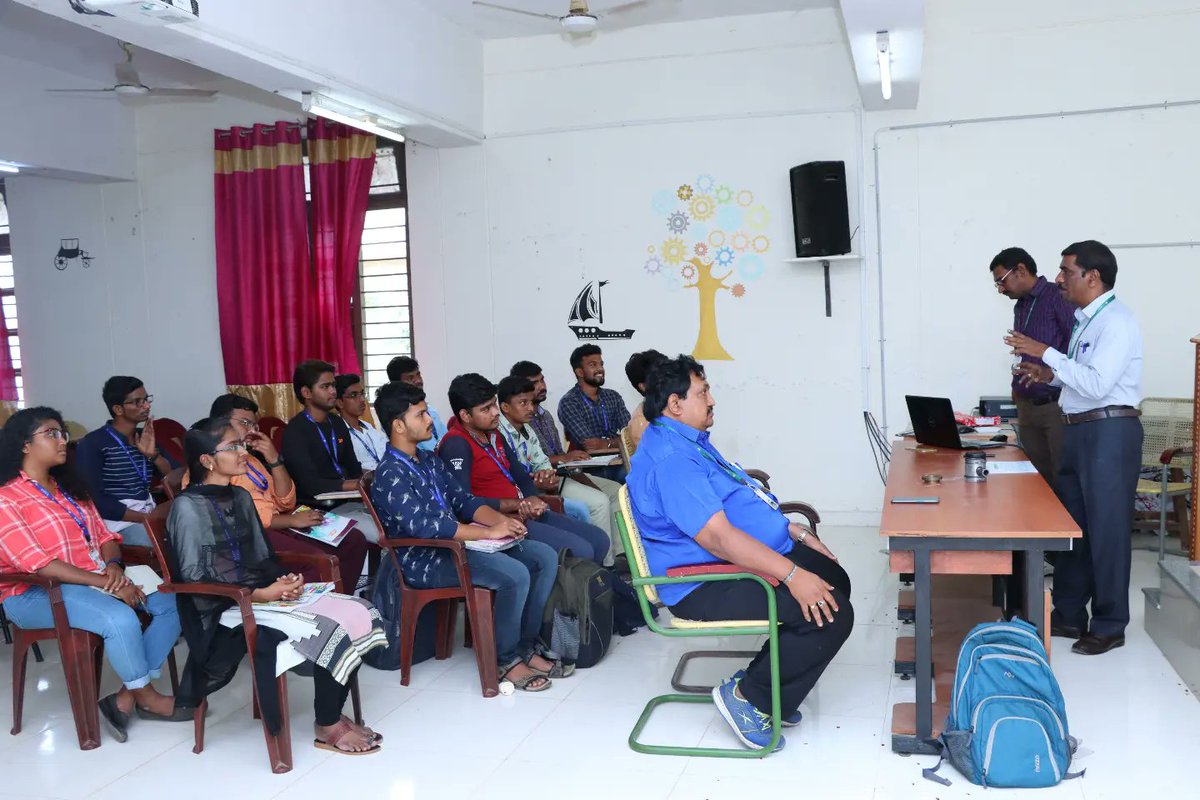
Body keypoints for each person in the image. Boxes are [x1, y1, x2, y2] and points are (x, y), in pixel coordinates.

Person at [627, 355, 853, 751]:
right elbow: (718, 538)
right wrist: (792, 575)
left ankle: (773, 686)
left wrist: (791, 530)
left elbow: (737, 501)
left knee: (835, 581)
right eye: (703, 392)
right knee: (831, 612)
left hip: (726, 562)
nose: (712, 399)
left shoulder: (684, 437)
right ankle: (750, 697)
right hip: (701, 580)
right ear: (675, 404)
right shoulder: (672, 461)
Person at [168, 416, 387, 754]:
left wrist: (282, 581)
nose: (243, 451)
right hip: (222, 609)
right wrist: (259, 593)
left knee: (360, 610)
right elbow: (196, 577)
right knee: (330, 626)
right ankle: (327, 723)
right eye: (233, 447)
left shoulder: (239, 497)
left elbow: (260, 557)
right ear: (207, 461)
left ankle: (331, 714)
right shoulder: (187, 507)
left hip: (257, 595)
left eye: (242, 445)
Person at [0, 407, 183, 743]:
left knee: (175, 602)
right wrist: (108, 583)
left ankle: (126, 696)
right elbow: (37, 564)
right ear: (25, 445)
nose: (62, 441)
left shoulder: (68, 488)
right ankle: (147, 697)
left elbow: (105, 537)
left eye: (62, 433)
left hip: (94, 578)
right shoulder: (6, 498)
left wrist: (113, 568)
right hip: (34, 593)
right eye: (51, 433)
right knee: (119, 618)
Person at [368, 381, 565, 690]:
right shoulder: (390, 472)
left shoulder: (429, 460)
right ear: (398, 426)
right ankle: (505, 659)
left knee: (544, 557)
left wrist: (502, 523)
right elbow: (426, 528)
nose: (430, 419)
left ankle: (527, 646)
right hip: (425, 559)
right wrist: (485, 532)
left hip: (458, 546)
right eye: (420, 415)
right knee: (514, 575)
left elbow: (465, 501)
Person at [1006, 240, 1144, 657]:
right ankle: (1067, 614)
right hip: (1080, 429)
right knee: (1073, 529)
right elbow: (1083, 378)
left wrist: (1044, 350)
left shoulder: (1117, 321)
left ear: (1093, 276)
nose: (1060, 278)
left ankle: (1109, 624)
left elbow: (1100, 385)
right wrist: (1048, 372)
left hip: (1109, 431)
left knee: (1106, 532)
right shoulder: (1087, 320)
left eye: (1066, 271)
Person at [182, 394, 370, 593]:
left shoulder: (249, 460)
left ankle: (341, 596)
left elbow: (285, 501)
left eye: (254, 425)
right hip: (255, 534)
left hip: (279, 521)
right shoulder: (211, 470)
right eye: (245, 423)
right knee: (319, 560)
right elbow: (242, 522)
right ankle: (312, 609)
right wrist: (292, 521)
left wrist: (273, 459)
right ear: (218, 424)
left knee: (353, 539)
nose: (251, 431)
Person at [439, 373, 610, 564]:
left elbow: (521, 476)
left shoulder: (494, 434)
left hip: (524, 512)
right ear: (465, 415)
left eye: (494, 404)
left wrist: (533, 501)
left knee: (600, 540)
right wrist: (518, 505)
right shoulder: (456, 444)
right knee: (582, 550)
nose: (496, 412)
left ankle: (592, 590)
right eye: (486, 409)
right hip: (498, 521)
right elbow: (463, 504)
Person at [497, 375, 619, 565]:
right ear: (505, 407)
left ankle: (613, 559)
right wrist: (539, 480)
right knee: (593, 505)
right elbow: (512, 475)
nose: (531, 408)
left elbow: (542, 463)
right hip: (522, 497)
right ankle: (597, 567)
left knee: (615, 491)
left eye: (531, 402)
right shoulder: (498, 433)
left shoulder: (528, 429)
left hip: (544, 487)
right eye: (523, 403)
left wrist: (547, 475)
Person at [990, 248, 1075, 486]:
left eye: (1001, 281)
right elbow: (1023, 352)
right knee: (1034, 483)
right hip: (1027, 407)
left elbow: (1074, 348)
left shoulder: (1057, 297)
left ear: (1021, 270)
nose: (1000, 289)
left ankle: (1067, 525)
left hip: (1055, 406)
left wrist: (1049, 372)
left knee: (1061, 481)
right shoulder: (1021, 305)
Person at [280, 360, 379, 548]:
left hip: (349, 503)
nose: (333, 391)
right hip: (317, 511)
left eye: (333, 385)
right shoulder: (295, 431)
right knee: (381, 533)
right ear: (306, 393)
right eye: (325, 386)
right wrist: (353, 484)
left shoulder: (337, 423)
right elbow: (310, 485)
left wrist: (370, 477)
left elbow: (353, 467)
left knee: (396, 522)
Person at [75, 376, 174, 547]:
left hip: (148, 513)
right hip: (117, 522)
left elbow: (174, 477)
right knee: (168, 544)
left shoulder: (145, 437)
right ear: (118, 409)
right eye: (137, 402)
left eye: (146, 399)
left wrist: (154, 456)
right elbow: (97, 501)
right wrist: (147, 519)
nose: (146, 406)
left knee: (194, 534)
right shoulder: (93, 443)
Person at [557, 344, 631, 453]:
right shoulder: (569, 402)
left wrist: (606, 443)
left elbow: (630, 435)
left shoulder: (613, 396)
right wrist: (618, 441)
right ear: (579, 372)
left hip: (618, 458)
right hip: (588, 464)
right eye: (593, 365)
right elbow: (590, 445)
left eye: (601, 364)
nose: (600, 369)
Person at [386, 356, 447, 452]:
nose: (418, 381)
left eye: (418, 375)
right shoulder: (395, 417)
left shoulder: (431, 411)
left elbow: (446, 440)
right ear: (397, 384)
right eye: (410, 378)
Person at [334, 374, 389, 471]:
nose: (362, 400)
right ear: (340, 403)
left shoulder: (368, 427)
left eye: (362, 394)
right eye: (354, 395)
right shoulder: (337, 432)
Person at [623, 349, 668, 450]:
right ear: (643, 386)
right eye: (660, 377)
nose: (669, 380)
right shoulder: (641, 422)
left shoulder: (676, 407)